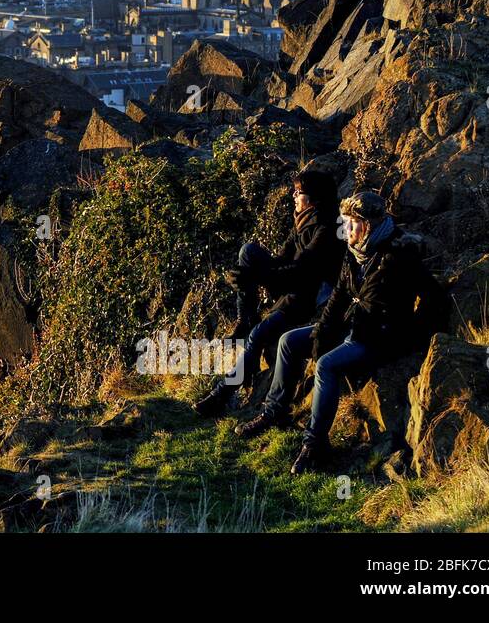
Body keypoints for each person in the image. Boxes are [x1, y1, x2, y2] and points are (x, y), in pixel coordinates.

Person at [234, 191, 454, 474]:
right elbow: (338, 296)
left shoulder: (398, 256)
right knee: (289, 341)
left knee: (326, 365)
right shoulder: (355, 254)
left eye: (351, 222)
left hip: (379, 337)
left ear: (367, 225)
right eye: (345, 222)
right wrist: (323, 332)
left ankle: (315, 445)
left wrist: (411, 336)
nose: (345, 228)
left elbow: (434, 297)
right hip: (351, 327)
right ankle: (273, 412)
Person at [192, 168, 344, 417]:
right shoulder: (304, 220)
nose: (294, 196)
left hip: (308, 298)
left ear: (315, 198)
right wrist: (251, 275)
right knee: (248, 251)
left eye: (299, 192)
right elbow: (283, 258)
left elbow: (302, 272)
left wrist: (257, 277)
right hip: (292, 287)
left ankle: (224, 392)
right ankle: (246, 317)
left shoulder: (326, 229)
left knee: (258, 335)